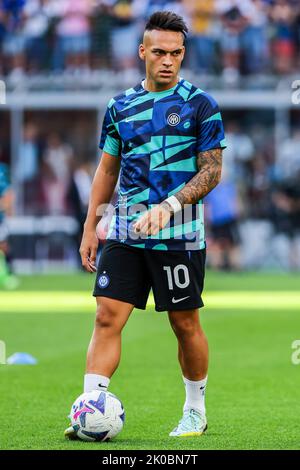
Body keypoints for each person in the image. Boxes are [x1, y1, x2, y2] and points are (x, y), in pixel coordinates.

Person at [65, 10, 226, 439]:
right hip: (123, 230)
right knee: (106, 316)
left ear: (183, 54)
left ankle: (195, 410)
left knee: (184, 323)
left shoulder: (201, 105)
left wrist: (170, 206)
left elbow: (212, 172)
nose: (168, 60)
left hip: (181, 233)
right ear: (142, 52)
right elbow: (106, 170)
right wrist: (89, 227)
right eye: (159, 52)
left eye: (176, 53)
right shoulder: (119, 106)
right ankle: (89, 409)